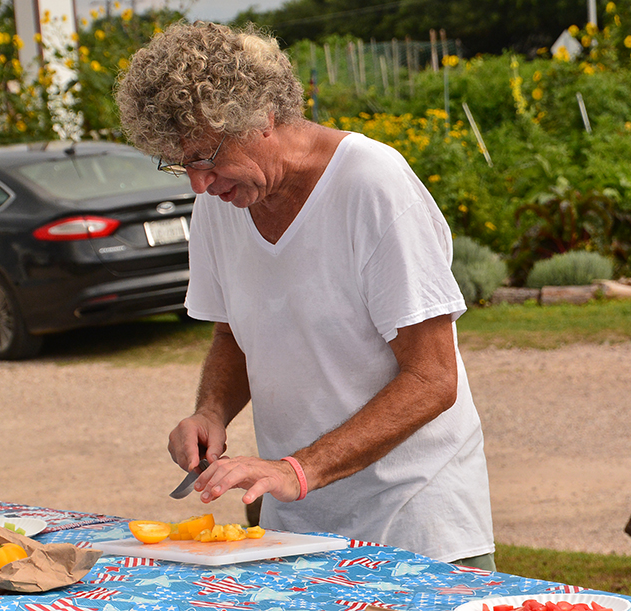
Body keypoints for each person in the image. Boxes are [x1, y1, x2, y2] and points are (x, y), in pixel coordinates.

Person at [115, 22, 495, 569]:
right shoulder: (220, 206)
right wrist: (211, 411)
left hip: (416, 524)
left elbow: (433, 378)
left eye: (207, 156)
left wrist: (297, 470)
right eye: (182, 164)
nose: (199, 184)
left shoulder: (371, 183)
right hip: (295, 525)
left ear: (262, 114)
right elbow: (233, 334)